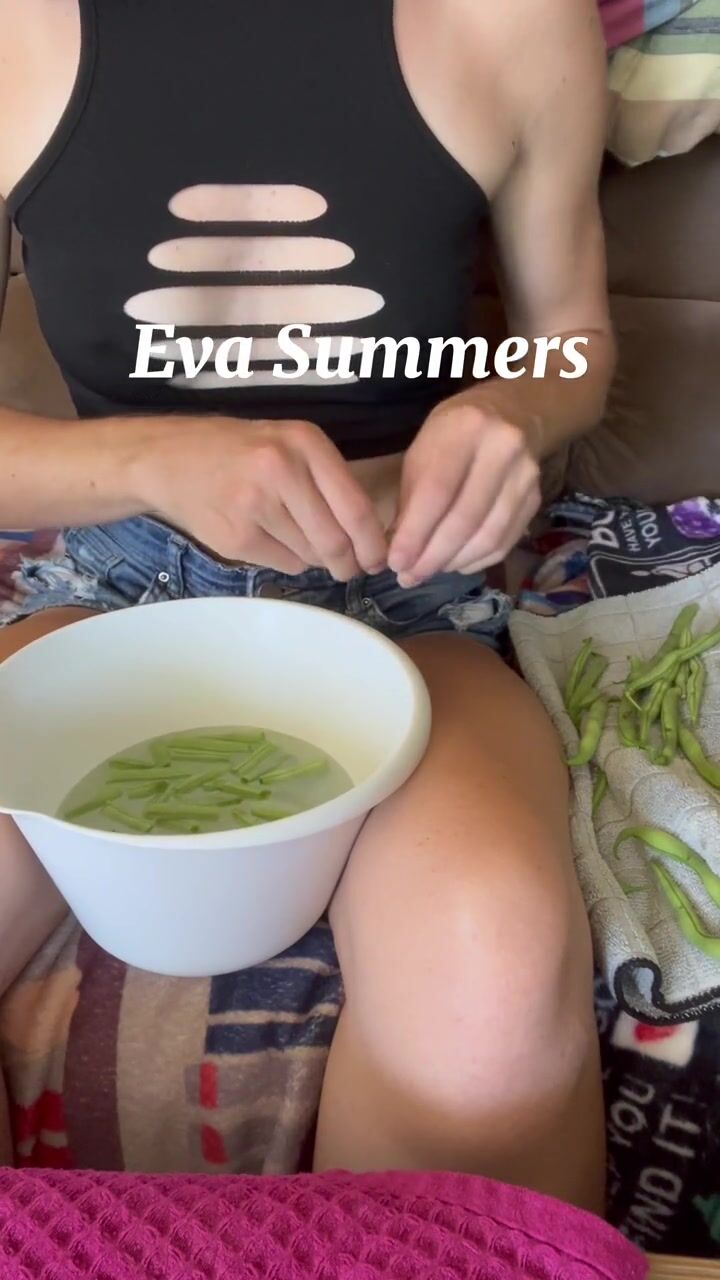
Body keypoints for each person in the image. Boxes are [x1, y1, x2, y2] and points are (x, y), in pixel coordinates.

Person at [0, 0, 615, 1209]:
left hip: (408, 593)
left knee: (490, 956)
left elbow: (571, 344)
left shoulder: (517, 19)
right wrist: (152, 457)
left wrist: (512, 408)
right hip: (113, 592)